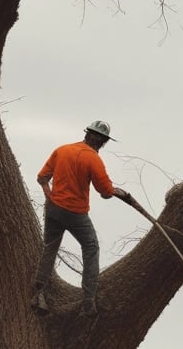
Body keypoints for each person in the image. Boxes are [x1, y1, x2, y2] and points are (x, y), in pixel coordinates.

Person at [31, 120, 128, 316]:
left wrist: (49, 196)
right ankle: (88, 301)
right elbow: (105, 191)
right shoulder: (93, 160)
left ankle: (38, 293)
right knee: (91, 247)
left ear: (87, 134)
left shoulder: (62, 150)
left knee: (49, 248)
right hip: (75, 213)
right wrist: (116, 192)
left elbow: (42, 177)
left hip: (54, 209)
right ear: (102, 141)